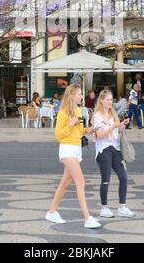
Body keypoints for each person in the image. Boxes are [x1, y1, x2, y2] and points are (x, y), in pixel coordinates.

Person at [45, 84, 101, 228]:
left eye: (81, 94)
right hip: (67, 149)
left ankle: (51, 212)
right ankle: (87, 218)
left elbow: (80, 130)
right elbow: (58, 135)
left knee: (65, 183)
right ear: (71, 95)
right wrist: (70, 125)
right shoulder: (63, 112)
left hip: (77, 149)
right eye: (79, 94)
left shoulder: (78, 110)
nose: (82, 96)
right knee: (80, 181)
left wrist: (90, 129)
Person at [92, 90, 135, 218]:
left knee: (124, 177)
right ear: (101, 101)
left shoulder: (113, 114)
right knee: (106, 180)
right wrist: (113, 126)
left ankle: (122, 207)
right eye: (107, 100)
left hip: (115, 149)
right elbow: (99, 135)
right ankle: (104, 208)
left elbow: (117, 131)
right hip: (103, 150)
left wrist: (121, 126)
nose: (110, 102)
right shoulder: (97, 116)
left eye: (111, 100)